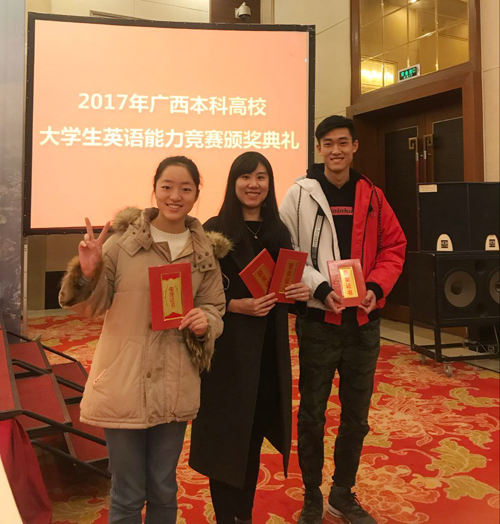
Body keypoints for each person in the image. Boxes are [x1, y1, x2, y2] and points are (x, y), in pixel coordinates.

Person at [59, 156, 229, 524]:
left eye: (185, 189)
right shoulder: (122, 243)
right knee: (127, 493)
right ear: (154, 189)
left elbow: (214, 306)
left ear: (197, 194)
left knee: (164, 488)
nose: (175, 196)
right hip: (125, 380)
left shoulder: (203, 251)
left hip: (175, 382)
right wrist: (87, 273)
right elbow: (92, 307)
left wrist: (206, 322)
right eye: (167, 186)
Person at [280, 116, 407, 524]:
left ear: (354, 147)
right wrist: (319, 288)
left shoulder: (373, 196)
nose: (335, 150)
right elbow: (287, 253)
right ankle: (312, 495)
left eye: (342, 143)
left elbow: (394, 246)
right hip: (319, 323)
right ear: (319, 148)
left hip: (364, 323)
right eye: (328, 143)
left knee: (356, 416)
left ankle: (342, 493)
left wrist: (376, 286)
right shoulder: (299, 195)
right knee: (311, 414)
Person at [189, 151, 309, 524]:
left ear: (269, 184)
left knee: (253, 437)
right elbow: (194, 292)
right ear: (233, 182)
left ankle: (243, 515)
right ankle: (228, 516)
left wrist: (299, 294)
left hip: (267, 355)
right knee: (227, 440)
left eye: (261, 177)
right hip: (228, 354)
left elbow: (284, 292)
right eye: (245, 177)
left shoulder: (278, 231)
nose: (253, 184)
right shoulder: (213, 230)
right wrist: (235, 305)